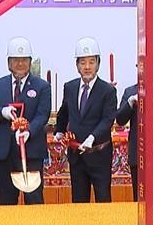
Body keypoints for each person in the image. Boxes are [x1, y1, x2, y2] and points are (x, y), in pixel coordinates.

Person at [0, 36, 51, 205]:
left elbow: (43, 115)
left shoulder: (42, 86)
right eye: (16, 60)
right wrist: (2, 112)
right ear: (9, 63)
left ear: (30, 62)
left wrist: (29, 130)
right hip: (4, 154)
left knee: (34, 201)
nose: (20, 64)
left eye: (24, 60)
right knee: (6, 202)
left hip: (32, 152)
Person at [53, 37, 117, 203]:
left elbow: (107, 120)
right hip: (77, 156)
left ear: (98, 64)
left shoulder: (108, 91)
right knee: (79, 202)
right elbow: (64, 111)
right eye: (83, 62)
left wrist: (92, 138)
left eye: (91, 62)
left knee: (103, 200)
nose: (87, 67)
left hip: (99, 154)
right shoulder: (70, 87)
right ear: (77, 65)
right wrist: (59, 131)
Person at [114, 57, 142, 202]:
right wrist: (130, 103)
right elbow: (120, 120)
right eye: (140, 66)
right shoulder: (130, 91)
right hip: (138, 151)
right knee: (139, 195)